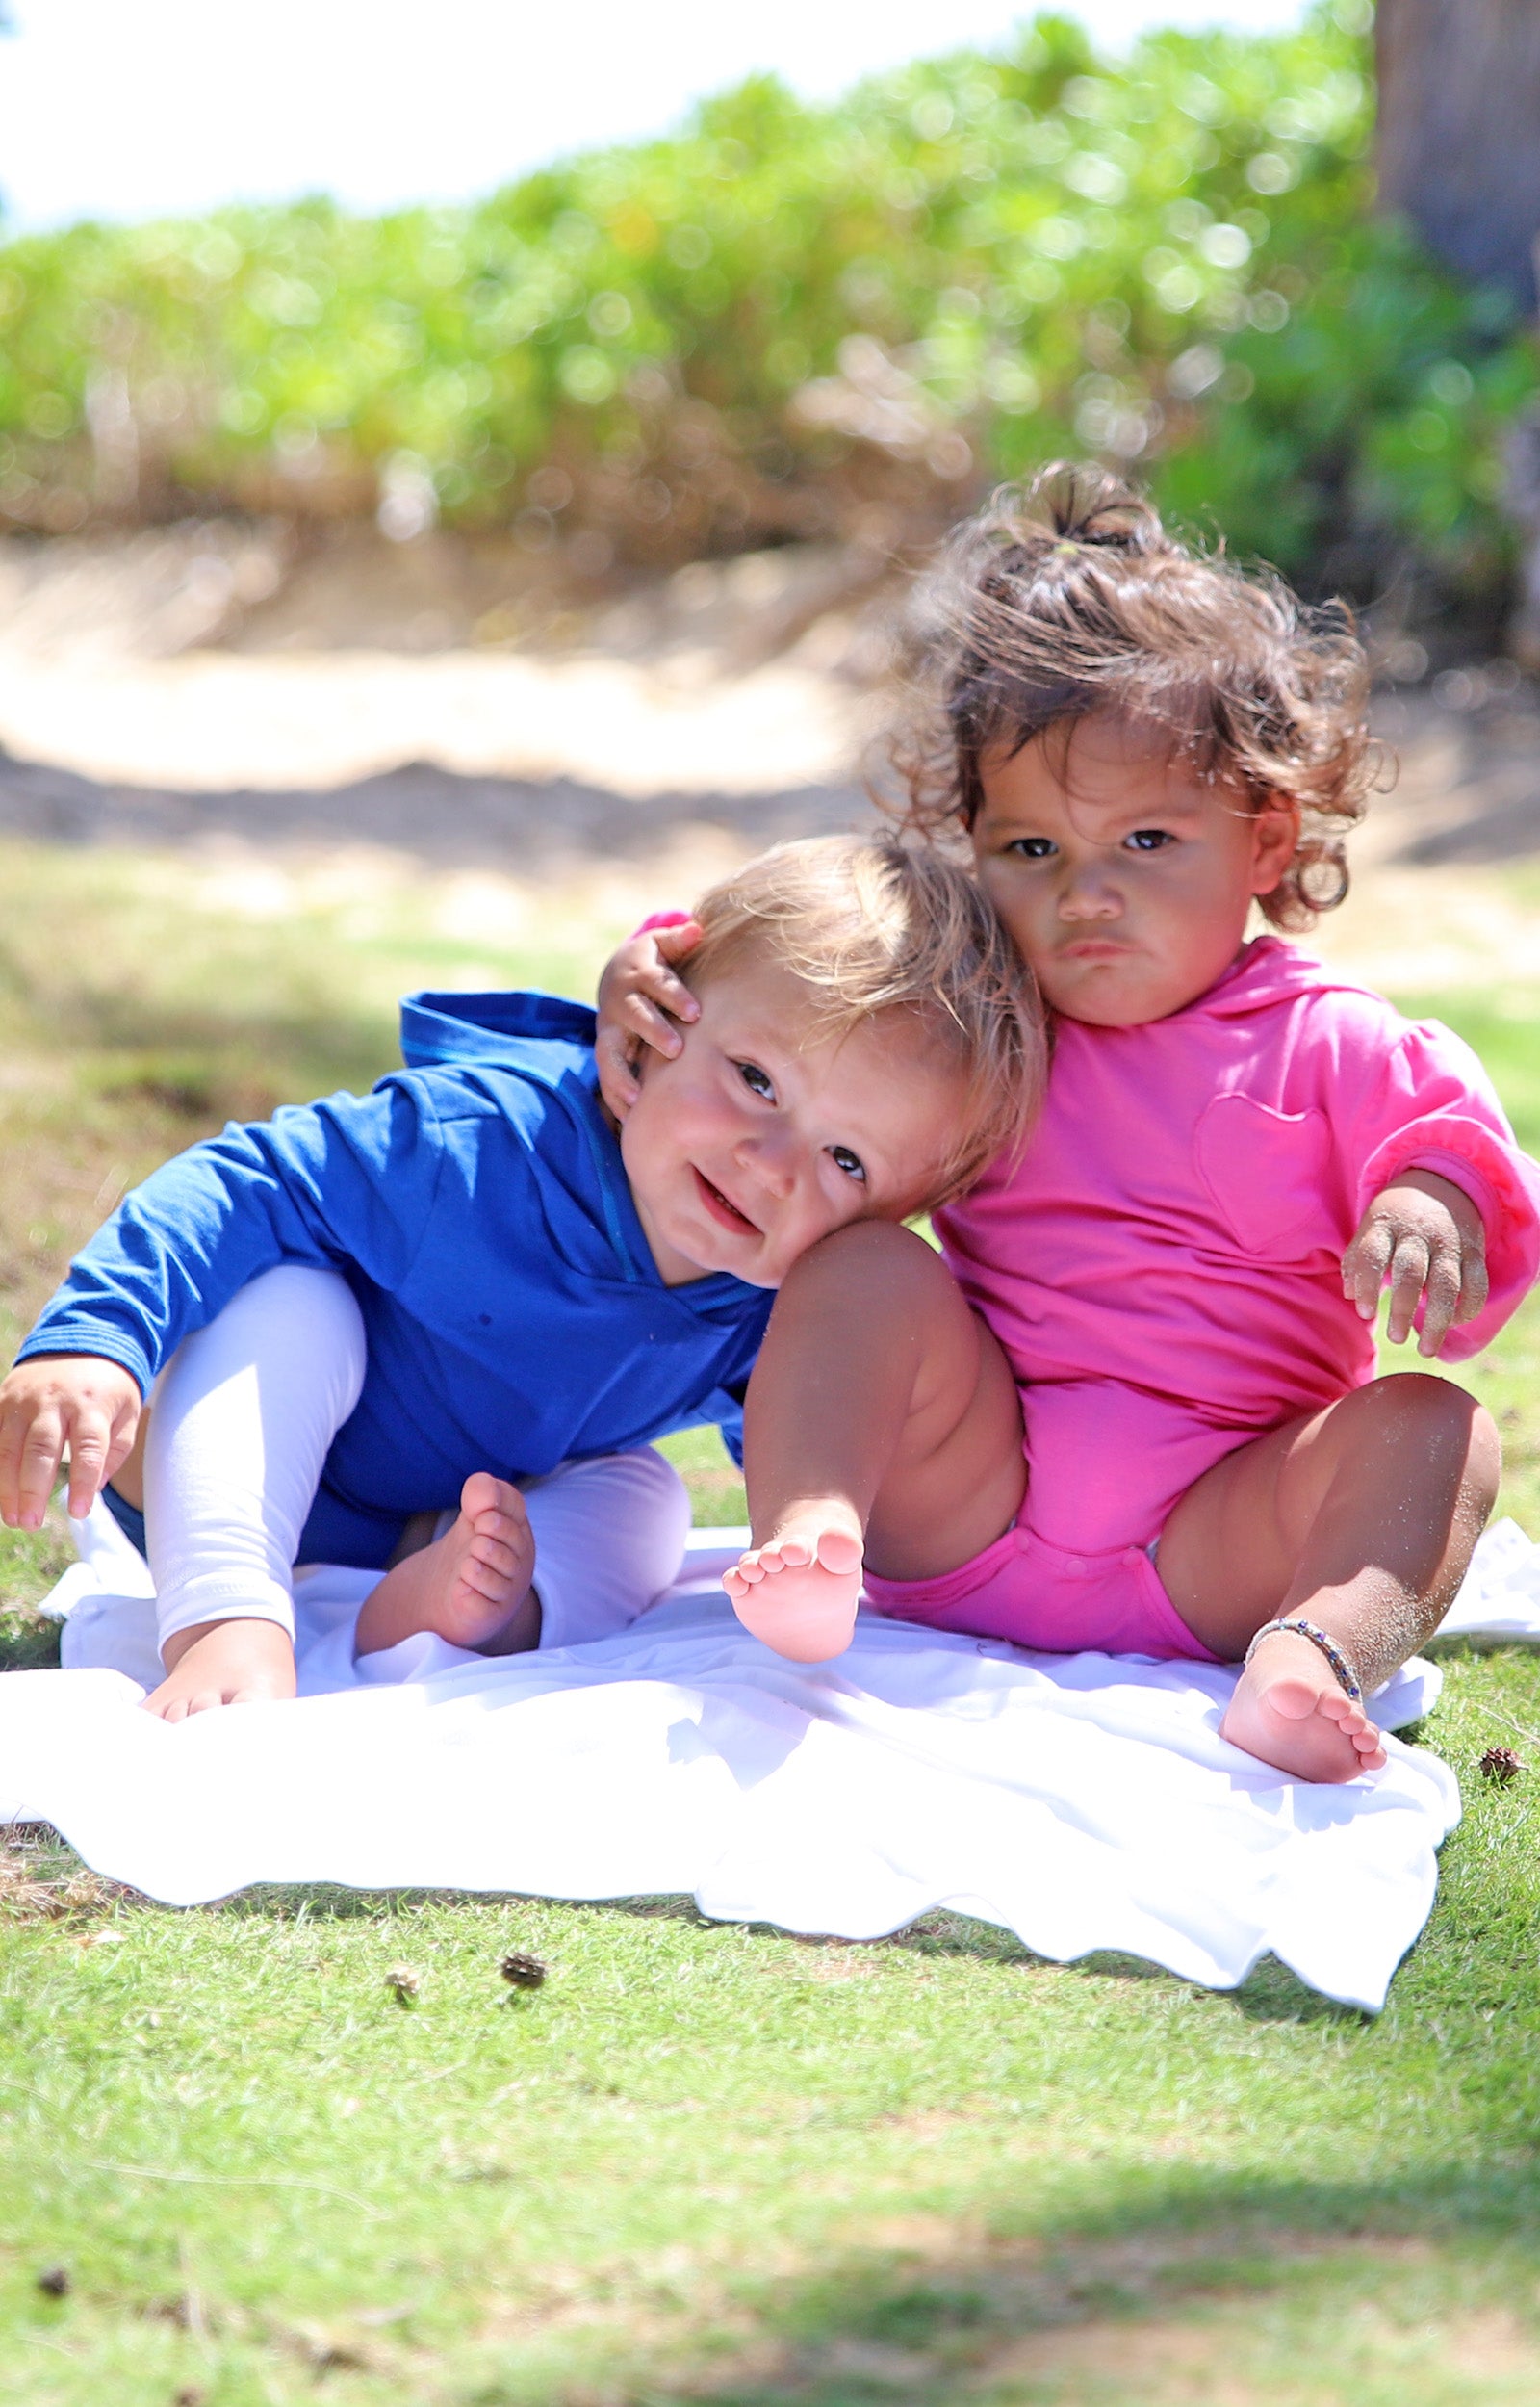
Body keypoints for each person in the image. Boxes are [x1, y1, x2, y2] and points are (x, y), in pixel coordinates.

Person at [596, 468, 1540, 1784]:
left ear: (1265, 840)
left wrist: (1423, 1206)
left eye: (1146, 840)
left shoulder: (1331, 1038)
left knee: (1443, 1432)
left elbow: (1453, 1144)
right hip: (970, 1499)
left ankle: (1314, 1653)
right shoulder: (977, 1008)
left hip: (1214, 1543)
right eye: (1031, 850)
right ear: (972, 840)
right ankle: (814, 1532)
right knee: (864, 1268)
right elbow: (793, 983)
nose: (1085, 895)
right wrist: (652, 968)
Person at [0, 835, 1041, 1720]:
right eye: (755, 1079)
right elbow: (247, 1179)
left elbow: (805, 1435)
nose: (768, 1163)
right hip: (219, 1447)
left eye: (845, 1161)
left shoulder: (767, 1299)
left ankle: (452, 1611)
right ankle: (225, 1622)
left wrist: (829, 1537)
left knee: (645, 1498)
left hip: (427, 1519)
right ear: (658, 1023)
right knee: (294, 1299)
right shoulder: (486, 1139)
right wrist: (96, 1335)